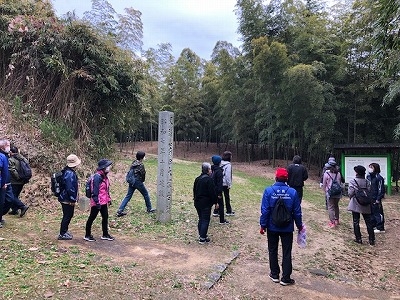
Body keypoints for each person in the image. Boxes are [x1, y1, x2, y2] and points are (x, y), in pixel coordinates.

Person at [259, 168, 303, 286]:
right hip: (287, 227)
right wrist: (299, 225)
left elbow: (265, 210)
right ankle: (286, 278)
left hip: (272, 226)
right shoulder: (293, 192)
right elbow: (297, 212)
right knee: (287, 251)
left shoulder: (268, 191)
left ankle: (274, 274)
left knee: (272, 250)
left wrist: (263, 225)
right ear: (287, 179)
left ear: (276, 177)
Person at [116, 151, 155, 217]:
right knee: (145, 194)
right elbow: (143, 175)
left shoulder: (133, 163)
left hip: (131, 181)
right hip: (137, 181)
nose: (145, 157)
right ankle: (149, 208)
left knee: (128, 196)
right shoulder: (141, 165)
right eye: (144, 156)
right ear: (141, 158)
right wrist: (141, 181)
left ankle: (120, 210)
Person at [84, 159, 114, 242]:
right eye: (108, 166)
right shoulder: (97, 177)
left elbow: (105, 190)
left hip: (103, 201)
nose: (109, 167)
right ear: (103, 167)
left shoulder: (104, 176)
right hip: (97, 201)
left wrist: (109, 199)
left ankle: (105, 234)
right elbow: (95, 190)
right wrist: (97, 202)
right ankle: (87, 235)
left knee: (105, 217)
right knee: (92, 217)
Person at [0, 139, 29, 222]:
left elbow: (10, 170)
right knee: (8, 199)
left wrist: (17, 178)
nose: (9, 147)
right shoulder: (20, 158)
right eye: (7, 145)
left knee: (11, 198)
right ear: (2, 147)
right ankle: (16, 209)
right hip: (9, 182)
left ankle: (19, 207)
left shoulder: (9, 157)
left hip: (11, 182)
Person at [347, 165, 375, 245]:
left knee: (356, 221)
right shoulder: (367, 182)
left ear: (357, 172)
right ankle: (371, 239)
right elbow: (369, 191)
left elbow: (350, 193)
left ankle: (358, 238)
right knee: (368, 222)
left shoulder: (353, 181)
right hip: (366, 204)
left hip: (356, 203)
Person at [193, 162, 218, 244]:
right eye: (210, 169)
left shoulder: (197, 179)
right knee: (205, 219)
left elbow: (194, 190)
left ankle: (202, 235)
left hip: (197, 202)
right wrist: (215, 202)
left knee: (201, 218)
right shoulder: (209, 180)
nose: (211, 170)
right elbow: (212, 193)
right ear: (208, 170)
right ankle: (202, 238)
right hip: (205, 203)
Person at [57, 154, 81, 240]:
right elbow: (70, 188)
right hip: (66, 198)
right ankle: (62, 233)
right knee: (68, 215)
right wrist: (72, 199)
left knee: (68, 215)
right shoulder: (70, 173)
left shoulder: (66, 171)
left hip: (64, 197)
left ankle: (64, 231)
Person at [8, 145, 30, 215]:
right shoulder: (23, 158)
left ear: (11, 152)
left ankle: (22, 206)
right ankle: (15, 210)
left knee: (12, 196)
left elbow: (12, 170)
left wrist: (17, 177)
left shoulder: (11, 159)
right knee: (16, 195)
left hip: (15, 181)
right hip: (23, 180)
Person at [322, 161, 342, 228]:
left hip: (330, 192)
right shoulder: (338, 173)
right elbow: (339, 182)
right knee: (336, 206)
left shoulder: (326, 174)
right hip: (338, 193)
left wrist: (325, 191)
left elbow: (324, 184)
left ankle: (332, 222)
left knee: (330, 207)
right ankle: (337, 220)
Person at [367, 163, 385, 233]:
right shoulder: (369, 177)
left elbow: (381, 189)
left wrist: (378, 198)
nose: (370, 168)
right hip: (370, 198)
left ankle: (380, 227)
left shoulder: (379, 178)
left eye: (371, 167)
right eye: (369, 167)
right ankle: (374, 225)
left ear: (376, 168)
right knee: (371, 212)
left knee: (378, 213)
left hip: (376, 198)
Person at [211, 155, 229, 225]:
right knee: (221, 205)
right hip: (216, 191)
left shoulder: (211, 169)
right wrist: (219, 193)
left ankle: (213, 213)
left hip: (211, 189)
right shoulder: (219, 171)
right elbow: (219, 183)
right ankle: (222, 220)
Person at [221, 151, 235, 216]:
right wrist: (229, 184)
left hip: (219, 182)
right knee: (227, 197)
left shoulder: (220, 163)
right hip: (225, 184)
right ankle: (228, 211)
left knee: (219, 197)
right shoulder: (228, 165)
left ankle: (216, 211)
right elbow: (228, 175)